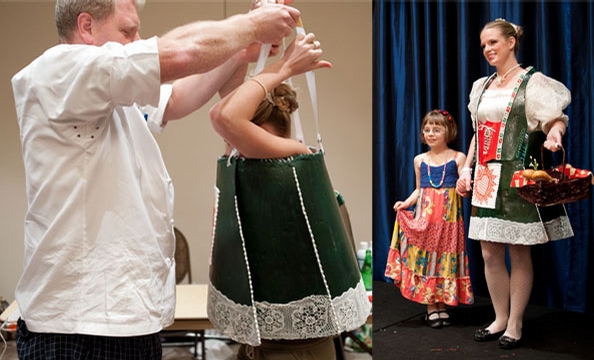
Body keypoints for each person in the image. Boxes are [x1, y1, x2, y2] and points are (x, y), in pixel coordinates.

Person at [11, 0, 301, 358]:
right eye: (128, 31)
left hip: (127, 319)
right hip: (78, 325)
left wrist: (243, 50)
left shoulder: (112, 92)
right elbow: (177, 56)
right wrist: (252, 25)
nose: (138, 40)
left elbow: (177, 98)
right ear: (86, 26)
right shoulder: (61, 71)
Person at [209, 34, 371, 359]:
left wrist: (284, 67)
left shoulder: (296, 157)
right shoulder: (250, 178)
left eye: (245, 142)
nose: (235, 153)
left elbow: (223, 117)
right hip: (260, 343)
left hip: (299, 350)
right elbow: (226, 110)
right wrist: (252, 41)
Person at [456, 19, 573, 349]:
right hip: (487, 176)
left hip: (521, 173)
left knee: (519, 251)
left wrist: (554, 134)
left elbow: (554, 120)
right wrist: (467, 170)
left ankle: (516, 323)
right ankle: (500, 318)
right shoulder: (481, 86)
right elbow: (479, 136)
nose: (487, 49)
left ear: (511, 42)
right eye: (483, 45)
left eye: (493, 42)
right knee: (490, 252)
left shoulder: (532, 82)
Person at [385, 109, 474, 329]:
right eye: (427, 130)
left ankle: (441, 304)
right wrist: (406, 203)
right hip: (426, 220)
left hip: (449, 222)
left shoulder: (457, 158)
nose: (431, 134)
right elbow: (419, 190)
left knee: (443, 260)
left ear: (448, 131)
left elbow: (464, 186)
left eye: (436, 129)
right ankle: (431, 307)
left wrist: (465, 188)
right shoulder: (419, 160)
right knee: (427, 260)